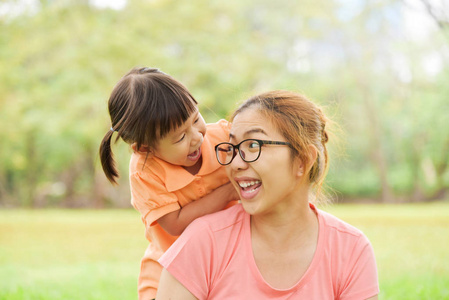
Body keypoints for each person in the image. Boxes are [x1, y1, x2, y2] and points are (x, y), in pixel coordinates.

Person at [156, 90, 379, 299]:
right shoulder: (203, 241)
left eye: (253, 145)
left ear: (303, 160)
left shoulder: (351, 250)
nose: (235, 163)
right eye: (232, 148)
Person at [99, 67, 238, 300]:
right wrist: (228, 192)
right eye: (180, 137)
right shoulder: (145, 172)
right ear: (145, 147)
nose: (196, 137)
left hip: (226, 264)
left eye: (196, 119)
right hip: (170, 271)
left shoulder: (224, 138)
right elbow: (175, 224)